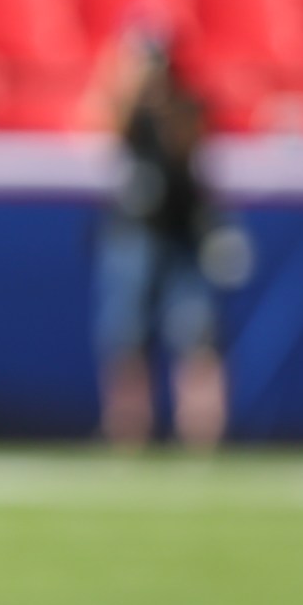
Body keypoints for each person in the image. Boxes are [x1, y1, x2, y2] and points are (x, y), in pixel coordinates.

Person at [92, 27, 236, 451]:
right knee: (125, 335)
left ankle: (203, 432)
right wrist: (128, 84)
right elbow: (103, 128)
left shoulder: (185, 106)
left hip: (181, 233)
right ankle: (128, 431)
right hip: (135, 232)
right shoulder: (129, 107)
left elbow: (189, 149)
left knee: (197, 333)